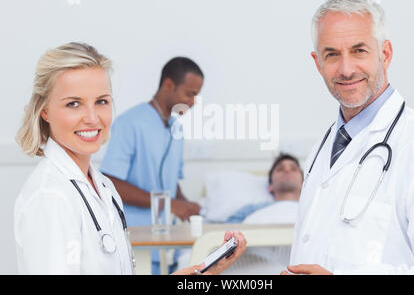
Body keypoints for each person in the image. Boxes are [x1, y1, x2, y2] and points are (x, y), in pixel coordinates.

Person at [14, 42, 246, 274]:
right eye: (73, 104)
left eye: (101, 101)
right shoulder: (50, 197)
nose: (93, 118)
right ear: (44, 111)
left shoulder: (104, 188)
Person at [283, 0, 414, 275]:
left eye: (359, 51)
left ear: (385, 54)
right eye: (332, 54)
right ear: (317, 63)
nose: (346, 69)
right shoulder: (324, 148)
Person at [99, 57, 204, 273]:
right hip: (136, 241)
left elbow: (171, 182)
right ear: (168, 85)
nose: (193, 102)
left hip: (167, 244)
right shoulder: (130, 123)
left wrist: (187, 206)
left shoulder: (176, 129)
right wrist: (170, 204)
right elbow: (110, 184)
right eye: (190, 94)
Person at [226, 153, 302, 224]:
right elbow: (227, 231)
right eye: (280, 169)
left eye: (293, 169)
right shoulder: (250, 210)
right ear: (270, 186)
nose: (287, 170)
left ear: (304, 184)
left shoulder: (312, 209)